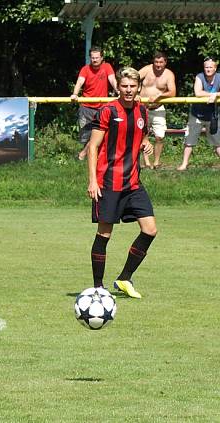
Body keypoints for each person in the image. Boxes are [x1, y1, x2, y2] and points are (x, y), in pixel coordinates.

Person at [87, 67, 157, 299]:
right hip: (108, 183)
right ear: (118, 87)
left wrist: (145, 143)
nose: (128, 90)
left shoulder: (142, 111)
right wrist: (93, 181)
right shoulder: (108, 110)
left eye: (132, 86)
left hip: (133, 184)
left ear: (138, 88)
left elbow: (141, 134)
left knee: (150, 229)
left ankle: (124, 278)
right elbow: (94, 147)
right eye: (124, 86)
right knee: (104, 235)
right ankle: (98, 287)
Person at [71, 46, 118, 161]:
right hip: (86, 106)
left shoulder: (107, 67)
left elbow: (112, 80)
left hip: (102, 107)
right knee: (86, 135)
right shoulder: (85, 69)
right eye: (92, 58)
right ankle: (88, 156)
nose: (95, 60)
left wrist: (119, 91)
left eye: (97, 57)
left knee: (99, 133)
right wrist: (75, 94)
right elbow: (79, 82)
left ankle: (83, 155)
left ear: (102, 58)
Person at [176, 57, 220, 171]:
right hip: (196, 114)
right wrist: (213, 94)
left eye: (211, 67)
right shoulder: (199, 77)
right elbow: (198, 93)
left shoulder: (219, 77)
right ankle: (184, 164)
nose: (208, 69)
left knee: (218, 142)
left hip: (213, 115)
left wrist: (215, 95)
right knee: (189, 140)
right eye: (206, 67)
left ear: (215, 68)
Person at [139, 52, 176, 170]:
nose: (158, 65)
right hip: (142, 107)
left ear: (165, 62)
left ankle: (156, 162)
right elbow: (132, 78)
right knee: (143, 135)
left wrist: (159, 96)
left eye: (161, 62)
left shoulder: (169, 74)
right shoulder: (147, 69)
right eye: (156, 62)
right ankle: (146, 162)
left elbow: (173, 92)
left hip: (158, 108)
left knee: (160, 136)